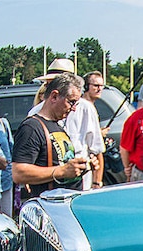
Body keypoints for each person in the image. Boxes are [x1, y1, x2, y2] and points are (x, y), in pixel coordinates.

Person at [28, 60, 104, 190]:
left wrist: (97, 182)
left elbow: (96, 149)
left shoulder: (86, 108)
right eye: (50, 83)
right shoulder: (36, 113)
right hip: (49, 180)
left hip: (81, 179)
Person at [12, 72, 88, 198]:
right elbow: (18, 173)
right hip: (50, 206)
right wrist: (62, 171)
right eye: (72, 102)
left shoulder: (57, 126)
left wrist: (81, 167)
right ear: (54, 96)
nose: (74, 108)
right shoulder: (31, 127)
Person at [81, 71, 107, 188]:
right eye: (96, 85)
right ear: (86, 86)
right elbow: (97, 149)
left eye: (102, 86)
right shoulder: (85, 107)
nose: (99, 89)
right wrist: (97, 182)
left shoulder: (91, 107)